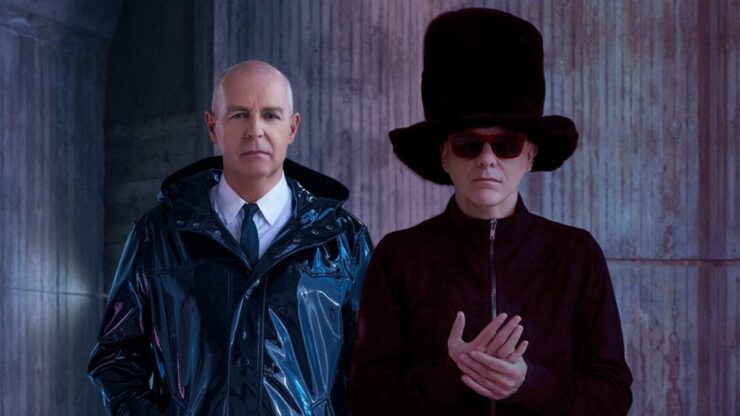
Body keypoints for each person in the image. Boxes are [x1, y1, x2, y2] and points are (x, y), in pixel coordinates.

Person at [349, 8, 632, 416]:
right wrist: (454, 375)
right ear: (444, 155)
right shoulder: (399, 258)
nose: (487, 160)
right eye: (468, 145)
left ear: (530, 155)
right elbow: (366, 398)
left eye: (505, 145)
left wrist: (528, 384)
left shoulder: (576, 255)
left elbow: (613, 396)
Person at [88, 60, 372, 415]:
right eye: (239, 115)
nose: (255, 130)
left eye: (270, 115)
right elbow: (115, 357)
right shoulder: (159, 234)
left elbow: (370, 365)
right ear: (213, 126)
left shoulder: (342, 240)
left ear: (292, 127)